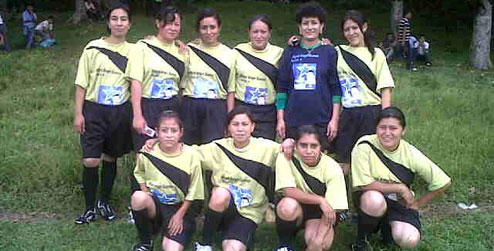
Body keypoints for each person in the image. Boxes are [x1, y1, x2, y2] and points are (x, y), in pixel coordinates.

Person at [350, 107, 452, 251]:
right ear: (376, 128)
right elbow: (365, 184)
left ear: (403, 130)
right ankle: (362, 241)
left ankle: (387, 230)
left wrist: (417, 204)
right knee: (374, 199)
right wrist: (400, 188)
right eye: (382, 127)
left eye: (393, 128)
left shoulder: (410, 153)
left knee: (409, 240)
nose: (387, 133)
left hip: (399, 203)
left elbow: (443, 182)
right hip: (370, 198)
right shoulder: (365, 145)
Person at [194, 106, 291, 251]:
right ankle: (205, 243)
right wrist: (157, 143)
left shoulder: (266, 148)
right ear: (228, 128)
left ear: (252, 127)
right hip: (221, 209)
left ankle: (236, 236)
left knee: (232, 248)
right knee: (220, 193)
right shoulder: (218, 147)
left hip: (248, 213)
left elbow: (293, 151)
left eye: (244, 124)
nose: (240, 129)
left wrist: (290, 142)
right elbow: (185, 153)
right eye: (235, 124)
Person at [73, 3, 134, 224]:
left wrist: (183, 44)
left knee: (111, 157)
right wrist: (79, 114)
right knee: (91, 160)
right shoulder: (92, 48)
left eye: (123, 19)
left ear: (129, 24)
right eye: (115, 18)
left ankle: (104, 202)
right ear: (108, 22)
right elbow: (81, 83)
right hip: (94, 110)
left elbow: (160, 46)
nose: (119, 23)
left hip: (120, 112)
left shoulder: (136, 51)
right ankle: (89, 208)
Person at [131, 111, 204, 251]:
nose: (169, 135)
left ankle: (179, 229)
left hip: (181, 208)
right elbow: (139, 172)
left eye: (174, 130)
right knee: (138, 197)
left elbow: (194, 190)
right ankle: (146, 242)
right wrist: (145, 191)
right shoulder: (147, 152)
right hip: (158, 206)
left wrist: (179, 215)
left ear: (181, 132)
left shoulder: (191, 155)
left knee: (171, 248)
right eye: (164, 130)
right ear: (157, 132)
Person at [334, 10, 394, 175]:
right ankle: (341, 196)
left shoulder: (376, 54)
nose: (351, 32)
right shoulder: (338, 52)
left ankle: (372, 195)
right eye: (347, 29)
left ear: (364, 27)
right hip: (347, 113)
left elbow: (386, 88)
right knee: (343, 159)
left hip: (371, 112)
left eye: (355, 28)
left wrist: (386, 118)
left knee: (370, 159)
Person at [277, 2, 341, 151]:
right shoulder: (290, 52)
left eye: (314, 23)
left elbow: (336, 89)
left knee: (319, 162)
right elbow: (282, 88)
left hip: (322, 119)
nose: (310, 27)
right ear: (299, 28)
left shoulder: (330, 52)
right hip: (293, 119)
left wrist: (334, 120)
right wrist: (281, 119)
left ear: (321, 27)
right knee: (293, 162)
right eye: (305, 23)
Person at [274, 125, 348, 251]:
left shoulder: (332, 168)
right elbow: (288, 191)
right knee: (286, 206)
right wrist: (320, 200)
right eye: (303, 145)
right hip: (298, 205)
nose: (308, 151)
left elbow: (332, 209)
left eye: (314, 146)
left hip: (321, 213)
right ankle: (285, 245)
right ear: (295, 145)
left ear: (321, 148)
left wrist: (316, 242)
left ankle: (310, 234)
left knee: (322, 244)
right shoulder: (286, 156)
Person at [127, 6, 185, 151]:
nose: (172, 28)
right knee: (145, 151)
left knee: (170, 152)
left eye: (176, 24)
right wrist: (137, 115)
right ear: (158, 23)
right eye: (168, 23)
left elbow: (183, 86)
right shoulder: (142, 47)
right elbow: (136, 82)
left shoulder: (183, 52)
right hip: (148, 106)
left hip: (173, 106)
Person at [180, 8, 235, 145]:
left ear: (219, 28)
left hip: (216, 108)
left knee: (213, 149)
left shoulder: (230, 54)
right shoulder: (188, 50)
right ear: (198, 30)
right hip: (190, 106)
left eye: (212, 27)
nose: (209, 32)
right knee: (189, 148)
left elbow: (231, 90)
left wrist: (230, 118)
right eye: (204, 28)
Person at [231, 14, 283, 140]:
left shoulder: (280, 53)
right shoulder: (237, 51)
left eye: (263, 32)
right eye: (255, 32)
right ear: (249, 32)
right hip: (242, 109)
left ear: (270, 33)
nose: (259, 36)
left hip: (267, 112)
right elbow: (231, 86)